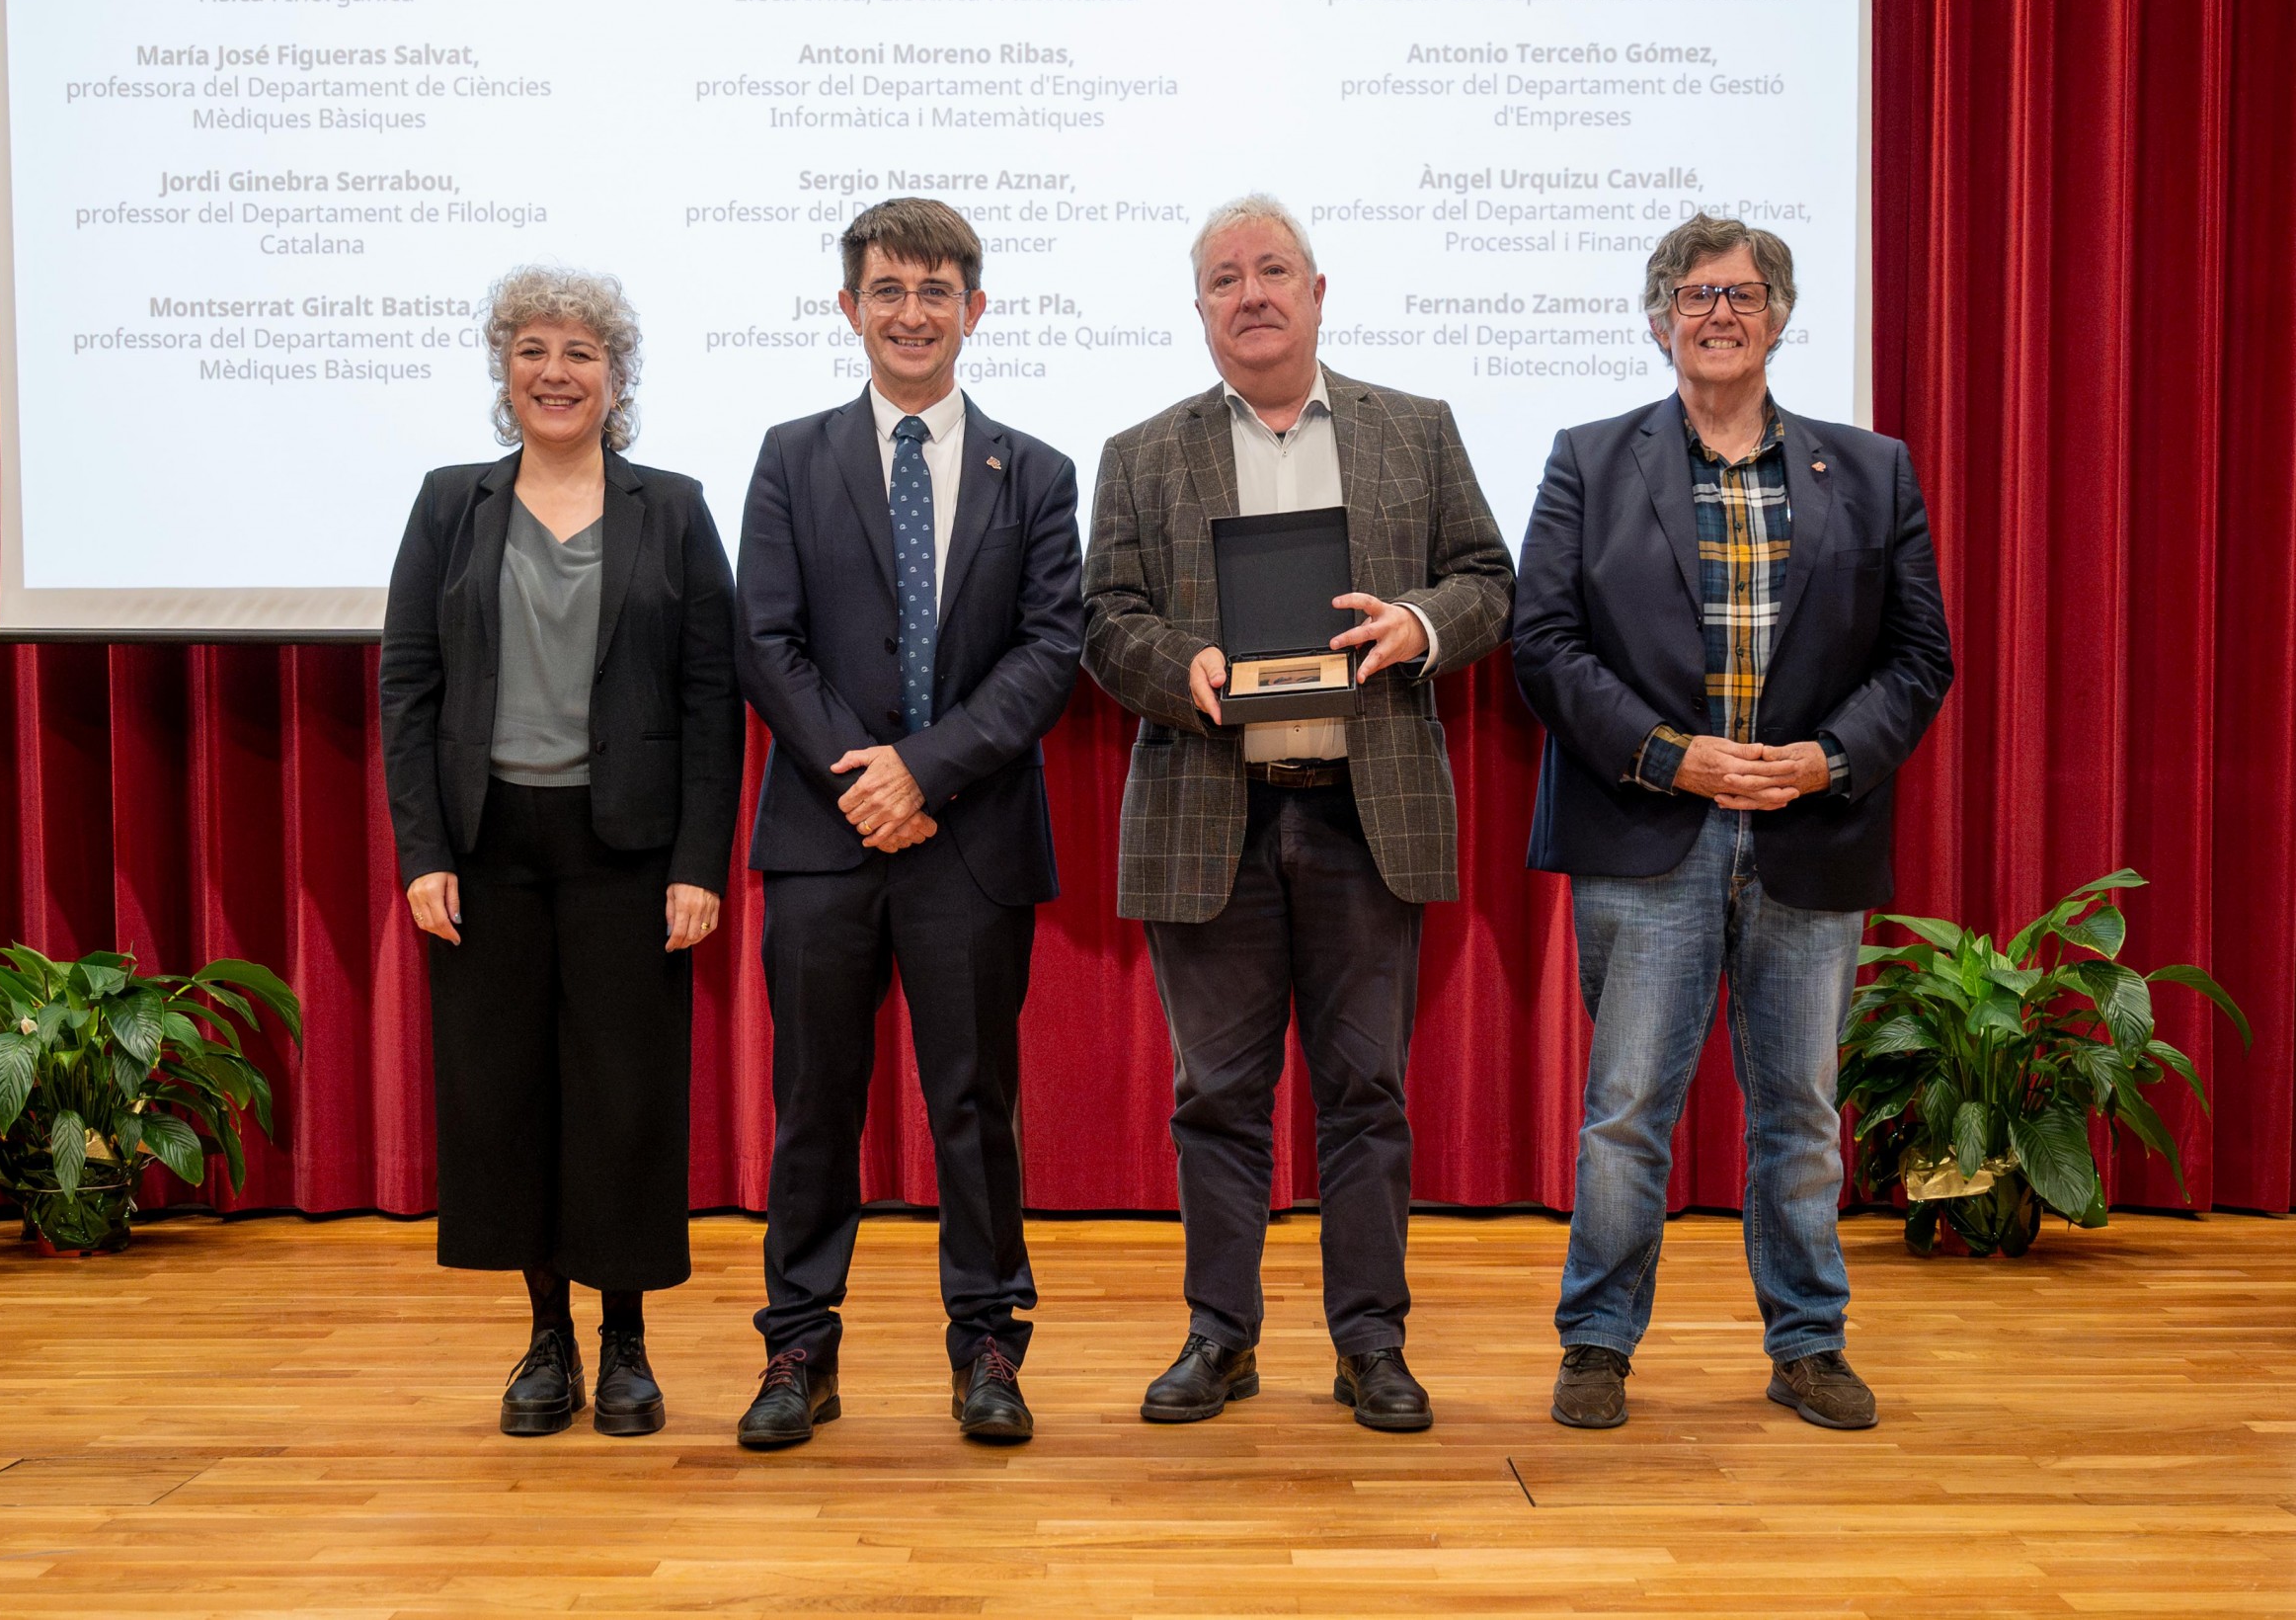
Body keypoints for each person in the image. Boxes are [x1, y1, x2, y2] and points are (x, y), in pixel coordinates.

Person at [1511, 213, 1953, 1432]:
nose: (1719, 314)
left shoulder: (1870, 470)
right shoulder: (1590, 461)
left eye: (1743, 295)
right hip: (1647, 828)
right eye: (1695, 295)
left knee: (1799, 1114)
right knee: (1627, 1112)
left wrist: (1826, 760)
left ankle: (1807, 1344)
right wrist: (1671, 757)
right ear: (1659, 321)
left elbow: (1920, 657)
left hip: (1809, 832)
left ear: (1779, 318)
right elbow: (1543, 644)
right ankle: (1596, 1343)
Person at [1083, 195, 1514, 1432]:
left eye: (1273, 270)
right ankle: (1219, 1338)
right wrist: (1181, 666)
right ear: (1199, 309)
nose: (1252, 294)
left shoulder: (1413, 430)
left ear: (1318, 293)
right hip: (1207, 815)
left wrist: (1417, 625)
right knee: (1214, 1098)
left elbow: (1488, 581)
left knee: (1366, 1095)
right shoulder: (1141, 452)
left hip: (1361, 817)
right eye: (1225, 278)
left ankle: (1370, 1343)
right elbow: (1101, 618)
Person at [733, 199, 1083, 1448]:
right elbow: (764, 640)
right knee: (814, 1101)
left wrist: (922, 775)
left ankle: (988, 1344)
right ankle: (797, 1349)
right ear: (850, 308)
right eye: (887, 289)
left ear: (974, 310)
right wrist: (864, 782)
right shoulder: (790, 456)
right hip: (823, 838)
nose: (912, 313)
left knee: (973, 1104)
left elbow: (1049, 652)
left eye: (936, 291)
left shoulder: (1035, 472)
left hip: (971, 843)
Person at [380, 265, 743, 1438]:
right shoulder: (451, 504)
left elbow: (711, 700)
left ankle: (625, 1340)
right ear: (504, 370)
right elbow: (408, 684)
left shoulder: (671, 508)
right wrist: (422, 850)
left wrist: (698, 862)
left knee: (624, 1101)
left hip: (627, 848)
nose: (555, 372)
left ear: (616, 378)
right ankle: (547, 1340)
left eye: (580, 352)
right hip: (486, 849)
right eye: (533, 349)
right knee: (507, 1098)